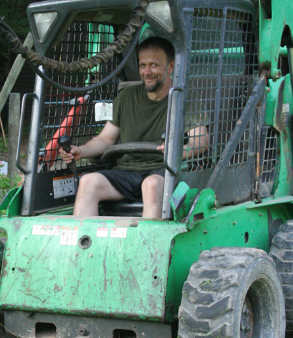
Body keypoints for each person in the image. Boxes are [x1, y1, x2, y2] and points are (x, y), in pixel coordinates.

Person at [59, 36, 208, 219]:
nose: (147, 72)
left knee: (151, 185)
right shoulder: (126, 97)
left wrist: (176, 152)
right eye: (142, 65)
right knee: (88, 182)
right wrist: (80, 151)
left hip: (166, 170)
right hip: (128, 171)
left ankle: (149, 246)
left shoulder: (185, 97)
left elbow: (200, 140)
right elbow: (106, 139)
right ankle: (82, 245)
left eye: (154, 65)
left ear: (170, 67)